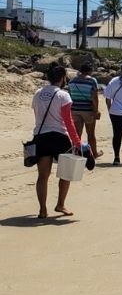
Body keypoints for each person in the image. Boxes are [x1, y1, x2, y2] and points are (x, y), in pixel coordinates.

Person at [31, 65, 82, 218]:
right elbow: (68, 121)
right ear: (62, 78)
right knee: (66, 173)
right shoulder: (63, 95)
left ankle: (42, 210)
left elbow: (37, 115)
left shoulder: (38, 93)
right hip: (59, 136)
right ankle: (60, 204)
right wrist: (77, 141)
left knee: (43, 175)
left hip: (41, 136)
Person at [68, 61, 102, 159]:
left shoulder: (72, 81)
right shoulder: (92, 81)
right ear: (90, 71)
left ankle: (75, 152)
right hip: (88, 110)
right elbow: (94, 97)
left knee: (77, 134)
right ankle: (94, 153)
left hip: (75, 110)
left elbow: (70, 96)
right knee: (90, 134)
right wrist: (96, 111)